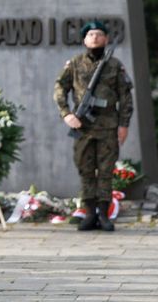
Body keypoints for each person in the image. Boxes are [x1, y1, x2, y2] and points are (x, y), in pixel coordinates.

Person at [54, 20, 133, 232]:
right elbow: (60, 88)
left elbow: (125, 97)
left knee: (106, 171)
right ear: (84, 39)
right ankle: (89, 214)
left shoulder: (114, 65)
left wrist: (123, 125)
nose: (95, 38)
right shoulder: (75, 63)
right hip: (83, 126)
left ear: (105, 39)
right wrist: (66, 114)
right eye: (91, 34)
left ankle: (104, 215)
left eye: (99, 34)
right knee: (86, 170)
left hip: (108, 126)